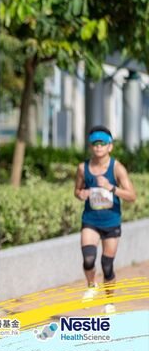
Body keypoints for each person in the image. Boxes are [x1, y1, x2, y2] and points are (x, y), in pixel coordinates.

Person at [74, 126, 136, 314]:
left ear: (110, 146)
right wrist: (81, 194)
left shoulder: (117, 168)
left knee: (107, 265)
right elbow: (77, 191)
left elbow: (132, 196)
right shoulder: (82, 168)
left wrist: (111, 188)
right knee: (88, 259)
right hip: (90, 220)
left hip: (111, 222)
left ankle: (109, 302)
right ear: (90, 146)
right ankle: (92, 285)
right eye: (95, 143)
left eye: (102, 143)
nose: (98, 147)